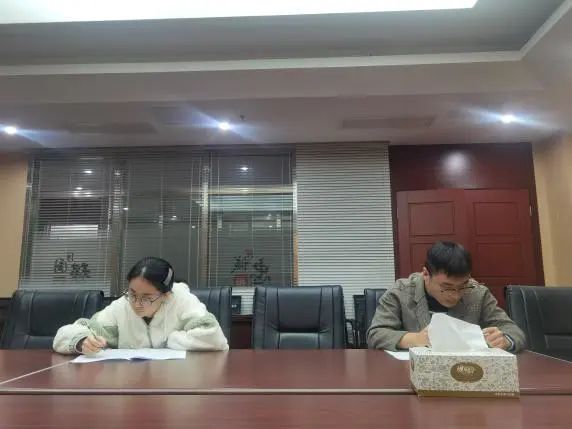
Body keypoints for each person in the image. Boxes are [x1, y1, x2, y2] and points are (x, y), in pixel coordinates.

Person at [367, 241, 525, 352]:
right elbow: (376, 334)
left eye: (462, 286)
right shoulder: (400, 292)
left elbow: (514, 332)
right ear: (426, 274)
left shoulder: (477, 293)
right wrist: (416, 339)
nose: (455, 295)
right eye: (447, 287)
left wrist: (505, 340)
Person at [54, 257, 229, 354]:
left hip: (178, 381)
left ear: (166, 295)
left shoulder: (182, 300)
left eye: (146, 298)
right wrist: (82, 341)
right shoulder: (122, 305)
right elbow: (65, 335)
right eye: (132, 294)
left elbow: (214, 337)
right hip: (130, 382)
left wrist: (171, 340)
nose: (136, 304)